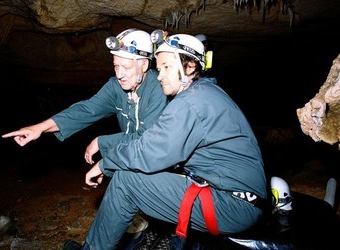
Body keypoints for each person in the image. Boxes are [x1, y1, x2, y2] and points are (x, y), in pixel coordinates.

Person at [64, 31, 267, 250]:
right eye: (159, 69)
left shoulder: (190, 102)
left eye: (167, 67)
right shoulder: (207, 92)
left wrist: (105, 163)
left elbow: (150, 151)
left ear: (189, 66)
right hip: (236, 197)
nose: (160, 76)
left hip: (230, 205)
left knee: (125, 182)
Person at [2, 28, 169, 248]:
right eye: (116, 66)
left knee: (120, 185)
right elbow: (87, 110)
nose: (119, 74)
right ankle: (122, 238)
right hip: (133, 159)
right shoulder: (117, 86)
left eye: (126, 67)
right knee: (120, 187)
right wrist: (41, 128)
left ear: (144, 65)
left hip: (163, 165)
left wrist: (102, 143)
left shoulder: (159, 88)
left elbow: (146, 141)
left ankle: (151, 232)